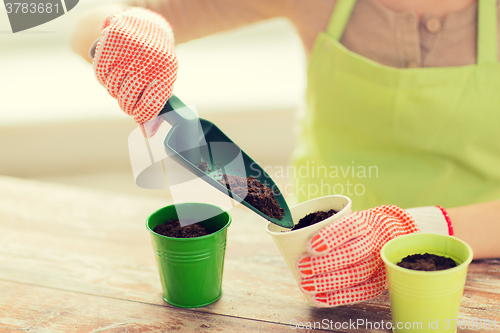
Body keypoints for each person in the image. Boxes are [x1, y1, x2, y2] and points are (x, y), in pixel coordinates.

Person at [71, 0, 500, 307]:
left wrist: (419, 227)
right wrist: (127, 30)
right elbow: (86, 22)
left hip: (475, 268)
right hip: (310, 264)